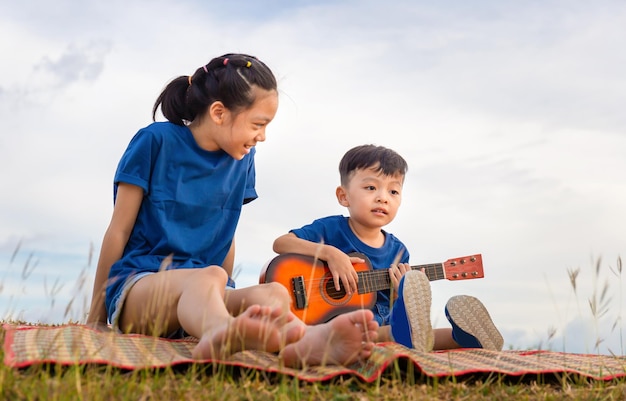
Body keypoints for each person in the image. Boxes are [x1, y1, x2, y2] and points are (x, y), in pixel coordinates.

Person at [85, 53, 378, 367]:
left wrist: (227, 291)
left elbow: (226, 231)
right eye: (257, 124)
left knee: (274, 294)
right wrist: (96, 318)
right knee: (208, 277)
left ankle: (306, 342)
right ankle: (220, 331)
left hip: (203, 294)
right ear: (219, 113)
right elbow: (119, 230)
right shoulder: (154, 141)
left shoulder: (242, 160)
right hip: (141, 289)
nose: (262, 136)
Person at [273, 144, 503, 352]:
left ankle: (463, 338)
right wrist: (329, 253)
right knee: (377, 332)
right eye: (371, 187)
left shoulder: (398, 251)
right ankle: (407, 335)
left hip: (381, 322)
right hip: (328, 324)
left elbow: (391, 305)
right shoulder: (330, 230)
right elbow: (281, 243)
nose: (383, 198)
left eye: (393, 191)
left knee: (404, 329)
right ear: (344, 197)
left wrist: (399, 292)